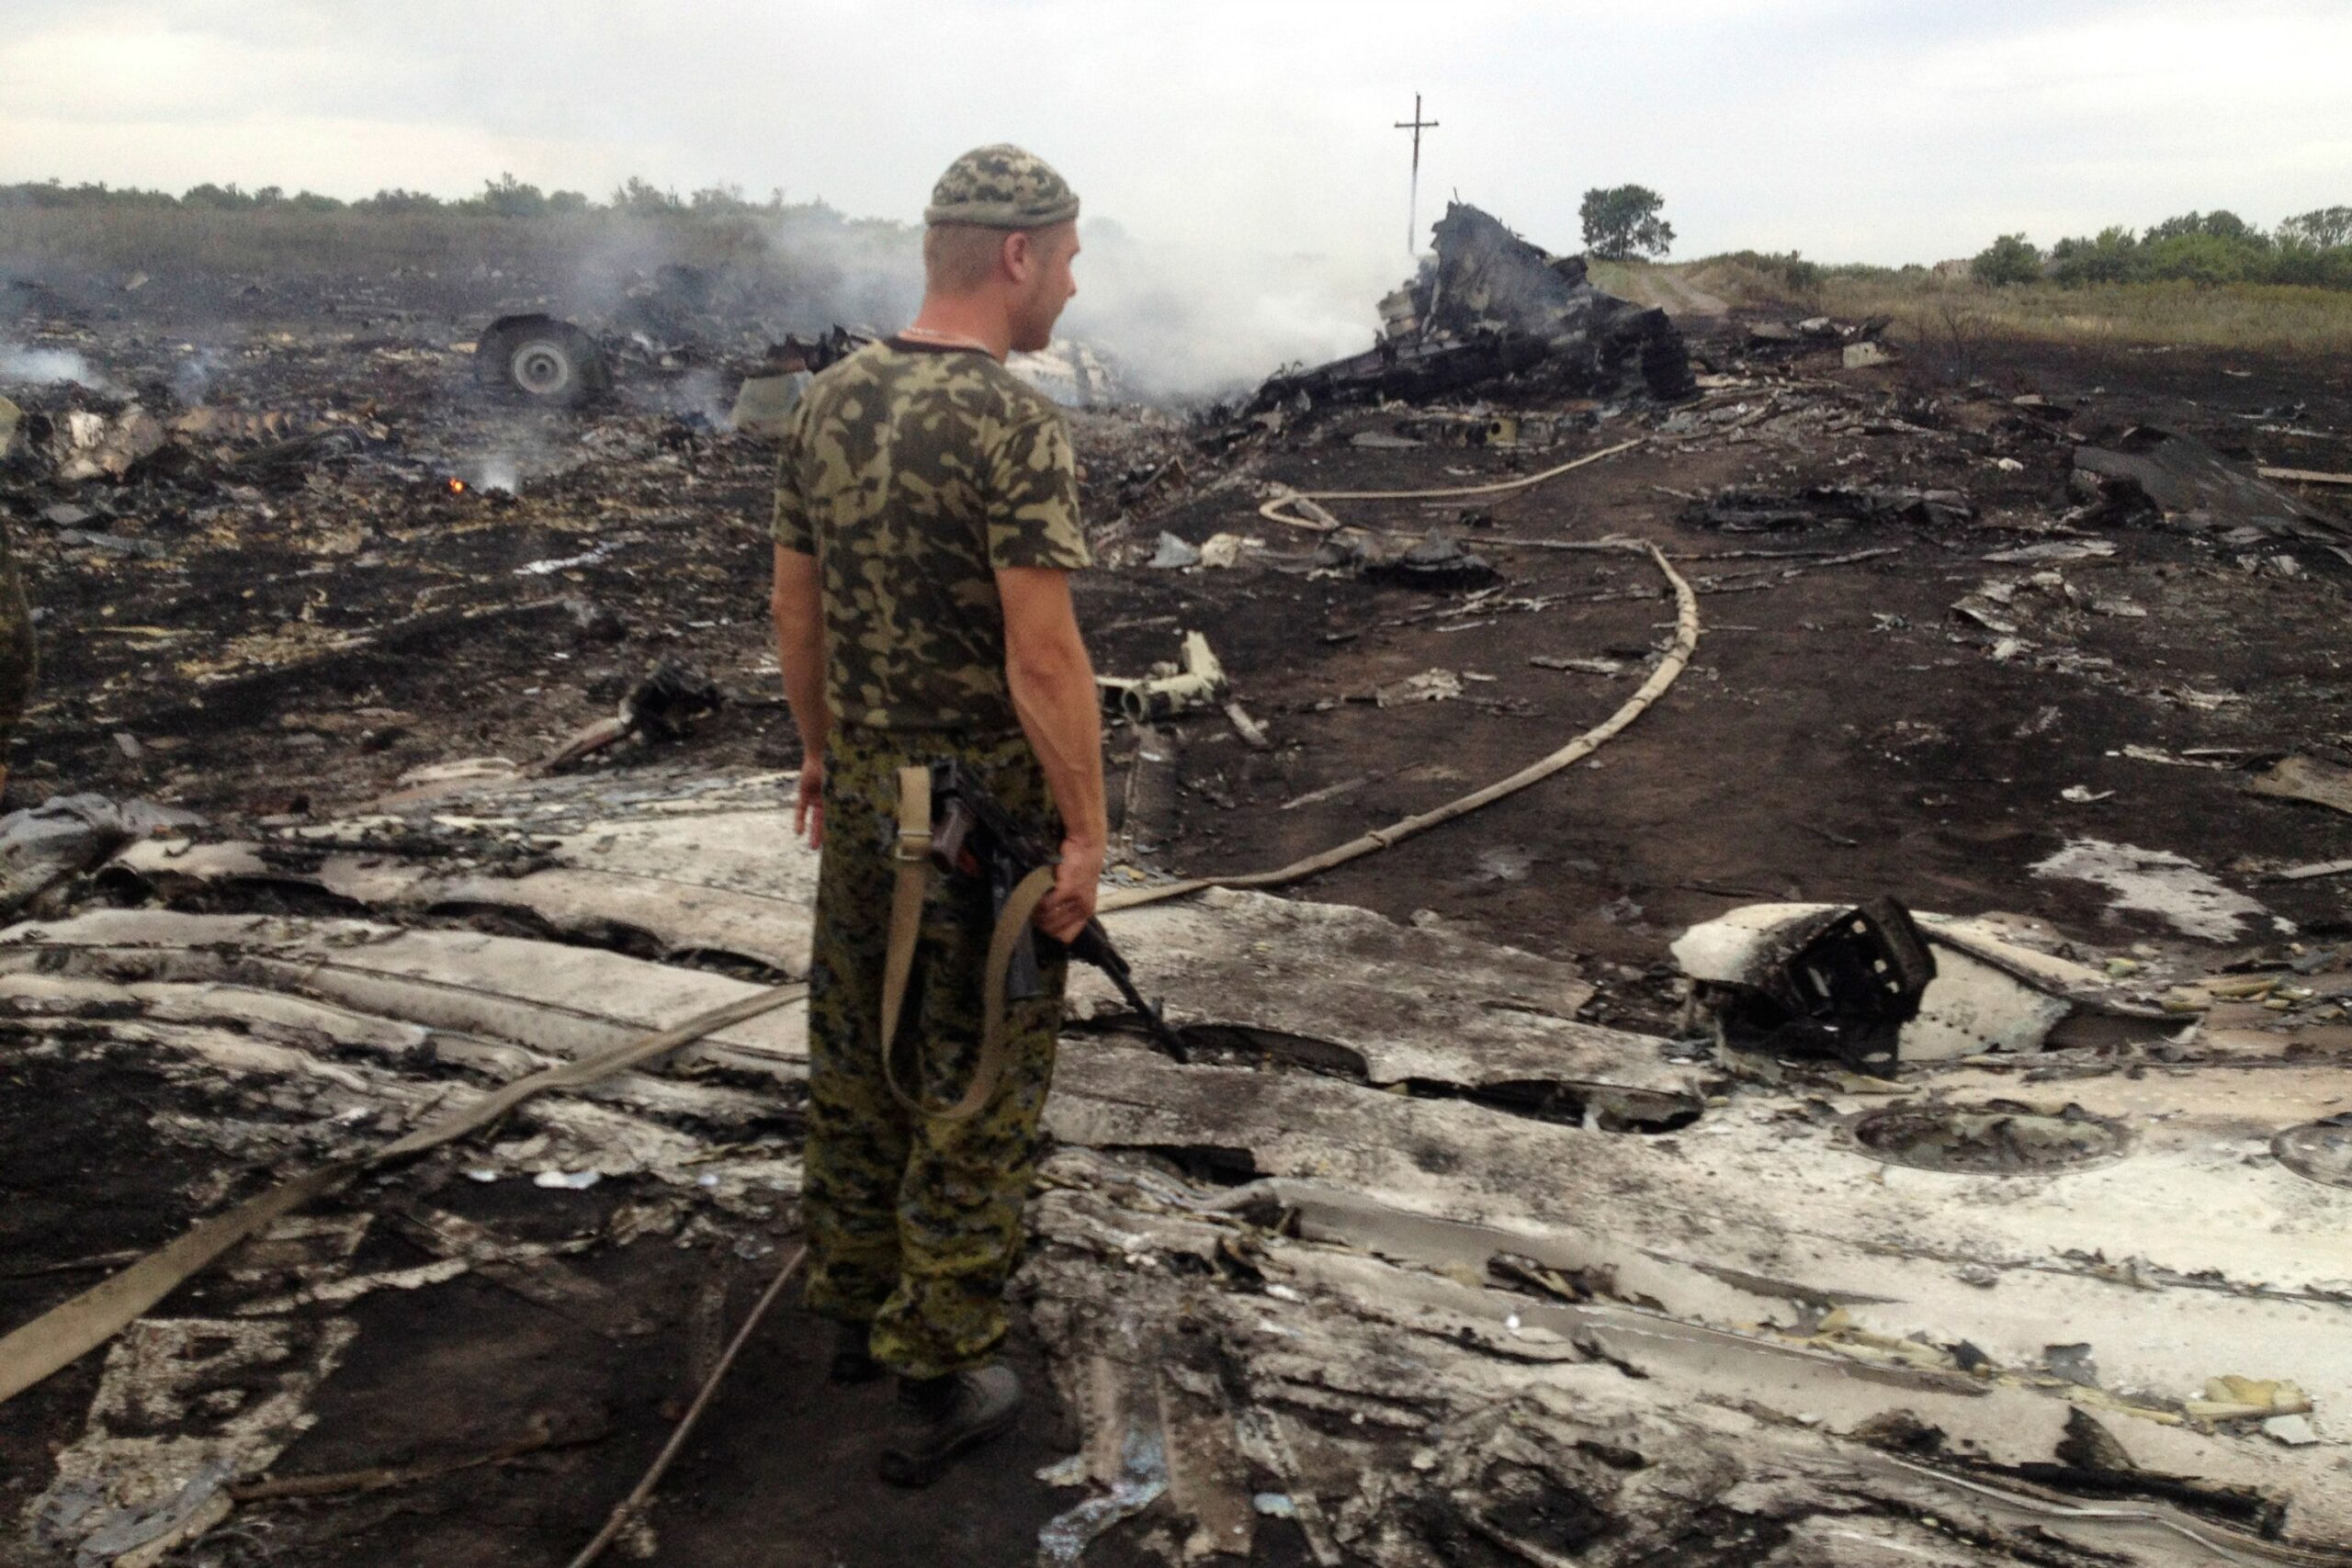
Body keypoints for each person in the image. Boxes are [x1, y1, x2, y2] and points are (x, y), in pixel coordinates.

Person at [768, 144, 1104, 1487]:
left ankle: (854, 1302)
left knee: (857, 1046)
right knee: (976, 1078)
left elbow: (796, 607)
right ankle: (948, 1346)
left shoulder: (826, 402)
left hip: (860, 792)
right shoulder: (1016, 425)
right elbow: (1042, 661)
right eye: (1070, 259)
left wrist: (817, 753)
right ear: (1017, 255)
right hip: (981, 818)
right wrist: (1083, 832)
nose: (1073, 288)